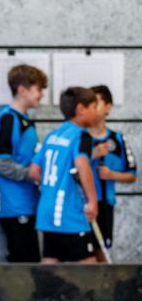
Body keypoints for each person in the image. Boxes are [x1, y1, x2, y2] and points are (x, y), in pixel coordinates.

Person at [30, 87, 100, 264]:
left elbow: (34, 171)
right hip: (70, 213)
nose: (97, 112)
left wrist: (53, 185)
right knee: (90, 271)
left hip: (47, 212)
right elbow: (82, 165)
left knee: (49, 268)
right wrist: (92, 201)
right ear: (81, 109)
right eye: (94, 107)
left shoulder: (52, 136)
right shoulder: (82, 136)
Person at [0, 64, 48, 262]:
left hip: (27, 202)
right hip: (13, 204)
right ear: (22, 90)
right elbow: (2, 164)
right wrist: (30, 174)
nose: (42, 94)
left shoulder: (24, 119)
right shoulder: (8, 119)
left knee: (31, 261)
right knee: (23, 263)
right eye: (39, 89)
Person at [89, 85, 137, 260]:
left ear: (108, 107)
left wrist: (111, 175)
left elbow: (132, 174)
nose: (92, 108)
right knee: (81, 254)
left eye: (96, 103)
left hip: (104, 204)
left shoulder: (117, 140)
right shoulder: (79, 138)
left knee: (101, 252)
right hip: (80, 204)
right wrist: (92, 155)